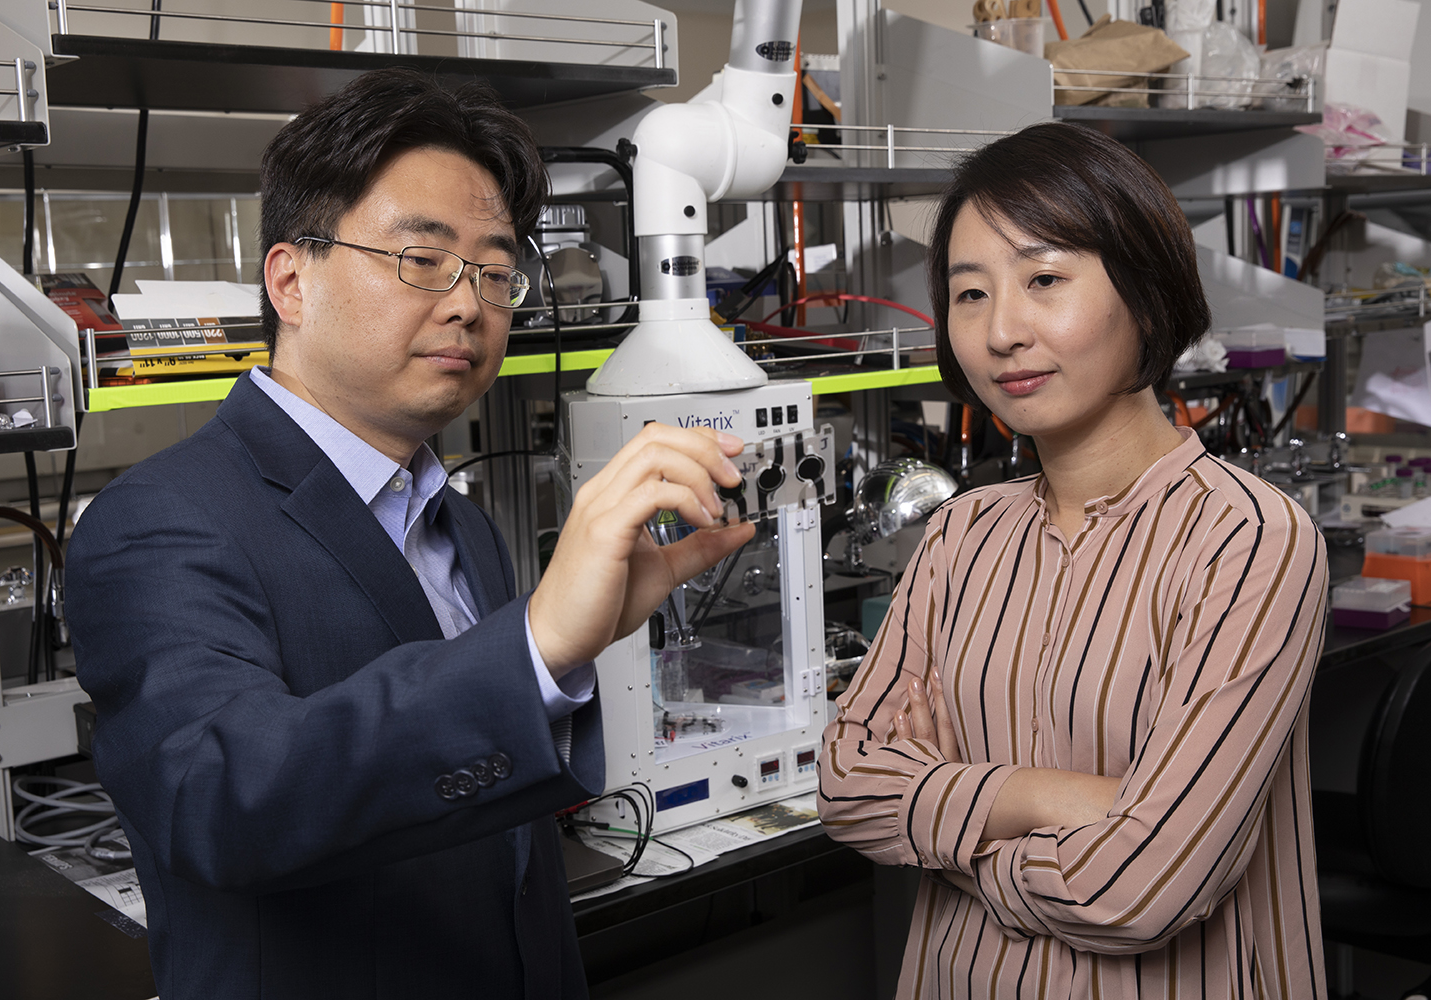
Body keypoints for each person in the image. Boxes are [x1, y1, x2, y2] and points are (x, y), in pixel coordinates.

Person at [66, 69, 754, 1000]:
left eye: (497, 272)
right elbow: (219, 802)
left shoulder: (462, 524)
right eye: (421, 259)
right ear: (291, 279)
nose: (469, 305)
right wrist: (538, 644)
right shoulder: (158, 522)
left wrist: (559, 652)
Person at [818, 122, 1328, 999]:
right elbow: (848, 786)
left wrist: (950, 832)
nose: (1002, 331)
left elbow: (1144, 888)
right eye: (969, 294)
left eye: (1045, 280)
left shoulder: (1248, 541)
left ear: (1145, 290)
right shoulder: (961, 535)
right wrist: (1051, 798)